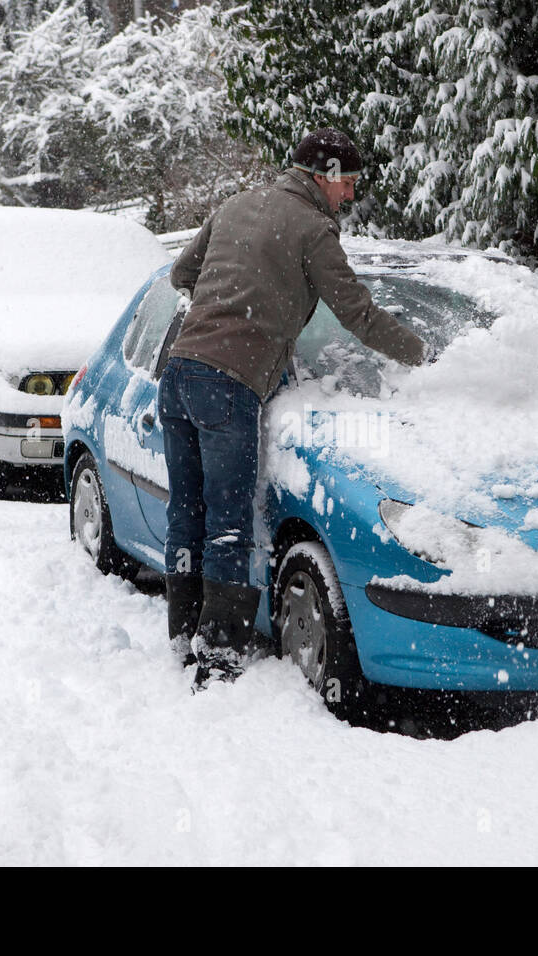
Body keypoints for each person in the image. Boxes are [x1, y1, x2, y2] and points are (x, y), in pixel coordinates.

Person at [161, 128, 429, 688]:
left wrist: (231, 300)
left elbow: (181, 275)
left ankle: (183, 633)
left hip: (179, 371)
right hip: (228, 382)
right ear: (325, 174)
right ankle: (219, 656)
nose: (350, 197)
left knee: (188, 512)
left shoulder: (235, 205)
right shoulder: (313, 229)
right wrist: (425, 357)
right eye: (348, 183)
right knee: (229, 523)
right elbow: (359, 315)